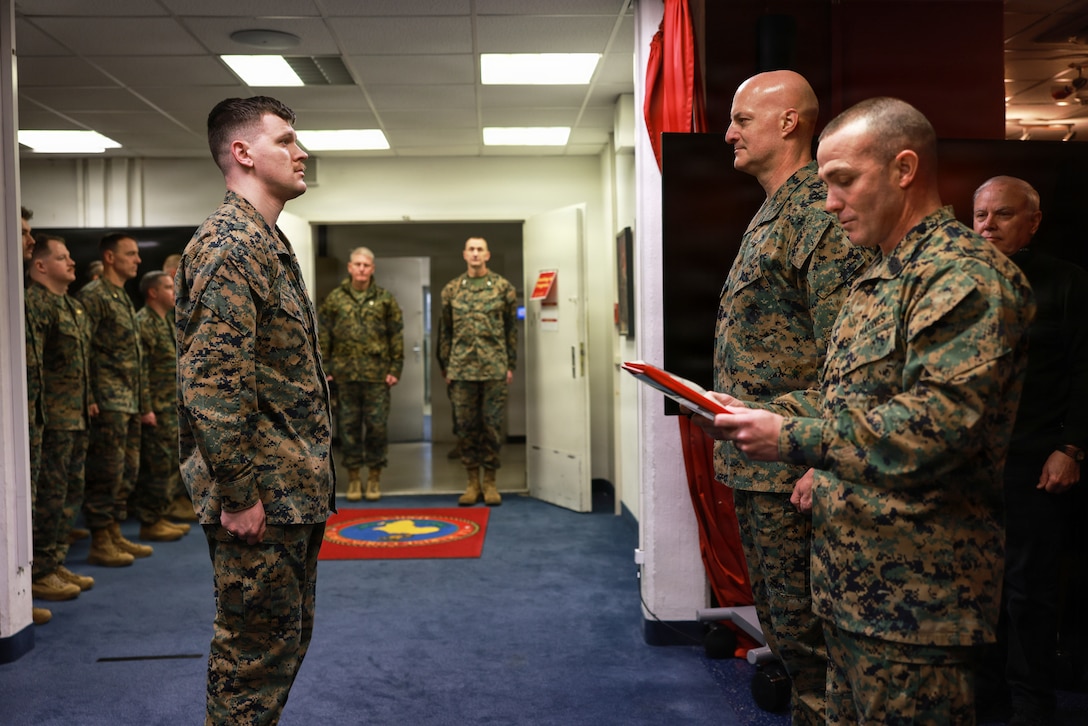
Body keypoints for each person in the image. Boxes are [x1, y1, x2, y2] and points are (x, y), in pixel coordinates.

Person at [698, 97, 1035, 723]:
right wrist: (741, 408)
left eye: (843, 181)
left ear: (904, 168)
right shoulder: (879, 275)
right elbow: (846, 395)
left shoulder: (962, 276)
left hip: (918, 600)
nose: (829, 203)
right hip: (850, 580)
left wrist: (791, 436)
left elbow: (937, 427)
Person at [709, 69, 875, 725]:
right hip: (765, 463)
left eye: (741, 120)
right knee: (787, 632)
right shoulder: (775, 211)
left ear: (787, 123)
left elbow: (850, 351)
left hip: (797, 465)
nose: (728, 133)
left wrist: (821, 459)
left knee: (813, 644)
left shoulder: (818, 214)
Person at [176, 95, 335, 725]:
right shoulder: (229, 246)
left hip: (289, 487)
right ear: (242, 153)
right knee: (252, 660)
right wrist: (239, 495)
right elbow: (214, 385)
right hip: (261, 495)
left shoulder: (266, 239)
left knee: (279, 646)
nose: (302, 152)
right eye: (286, 140)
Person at [971, 176, 1088, 726]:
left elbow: (1087, 373)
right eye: (980, 216)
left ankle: (1032, 706)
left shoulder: (1068, 283)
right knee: (978, 590)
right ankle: (989, 700)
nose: (987, 226)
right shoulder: (960, 283)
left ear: (1033, 222)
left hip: (1037, 462)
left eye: (1002, 215)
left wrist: (1072, 448)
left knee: (1028, 593)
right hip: (971, 468)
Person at [25, 234, 97, 605]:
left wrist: (87, 401)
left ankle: (54, 561)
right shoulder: (35, 303)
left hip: (74, 415)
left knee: (69, 494)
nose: (72, 263)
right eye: (63, 257)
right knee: (49, 498)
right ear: (40, 265)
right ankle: (38, 570)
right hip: (51, 418)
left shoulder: (69, 305)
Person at [77, 232, 151, 567]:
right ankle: (100, 540)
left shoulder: (120, 296)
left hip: (128, 401)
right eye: (130, 254)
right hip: (107, 401)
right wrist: (89, 395)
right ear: (109, 257)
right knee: (105, 473)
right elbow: (83, 349)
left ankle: (113, 531)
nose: (137, 260)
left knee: (125, 472)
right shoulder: (93, 296)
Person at [318, 247, 403, 502]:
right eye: (358, 264)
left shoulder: (385, 299)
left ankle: (374, 477)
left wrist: (395, 368)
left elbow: (396, 335)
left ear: (372, 268)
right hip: (345, 376)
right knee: (349, 428)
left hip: (377, 376)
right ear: (350, 267)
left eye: (366, 265)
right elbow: (324, 336)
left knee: (376, 428)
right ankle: (354, 478)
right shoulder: (335, 299)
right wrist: (327, 369)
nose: (362, 269)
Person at [437, 236, 517, 507]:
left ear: (487, 255)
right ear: (464, 254)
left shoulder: (503, 288)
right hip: (461, 370)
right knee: (466, 428)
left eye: (479, 249)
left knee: (492, 427)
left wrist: (510, 365)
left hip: (494, 368)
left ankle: (491, 482)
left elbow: (510, 331)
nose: (475, 253)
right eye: (470, 249)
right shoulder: (451, 290)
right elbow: (445, 332)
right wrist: (447, 366)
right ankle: (472, 483)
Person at [134, 270, 190, 540]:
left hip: (171, 404)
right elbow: (141, 369)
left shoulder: (167, 320)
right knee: (155, 465)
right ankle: (150, 520)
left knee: (168, 461)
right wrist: (146, 407)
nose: (174, 291)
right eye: (168, 287)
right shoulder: (143, 322)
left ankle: (162, 513)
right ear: (153, 293)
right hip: (155, 405)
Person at [21, 210, 56, 627]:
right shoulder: (27, 299)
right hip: (32, 414)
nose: (30, 242)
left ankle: (45, 566)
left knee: (53, 491)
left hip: (41, 411)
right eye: (24, 233)